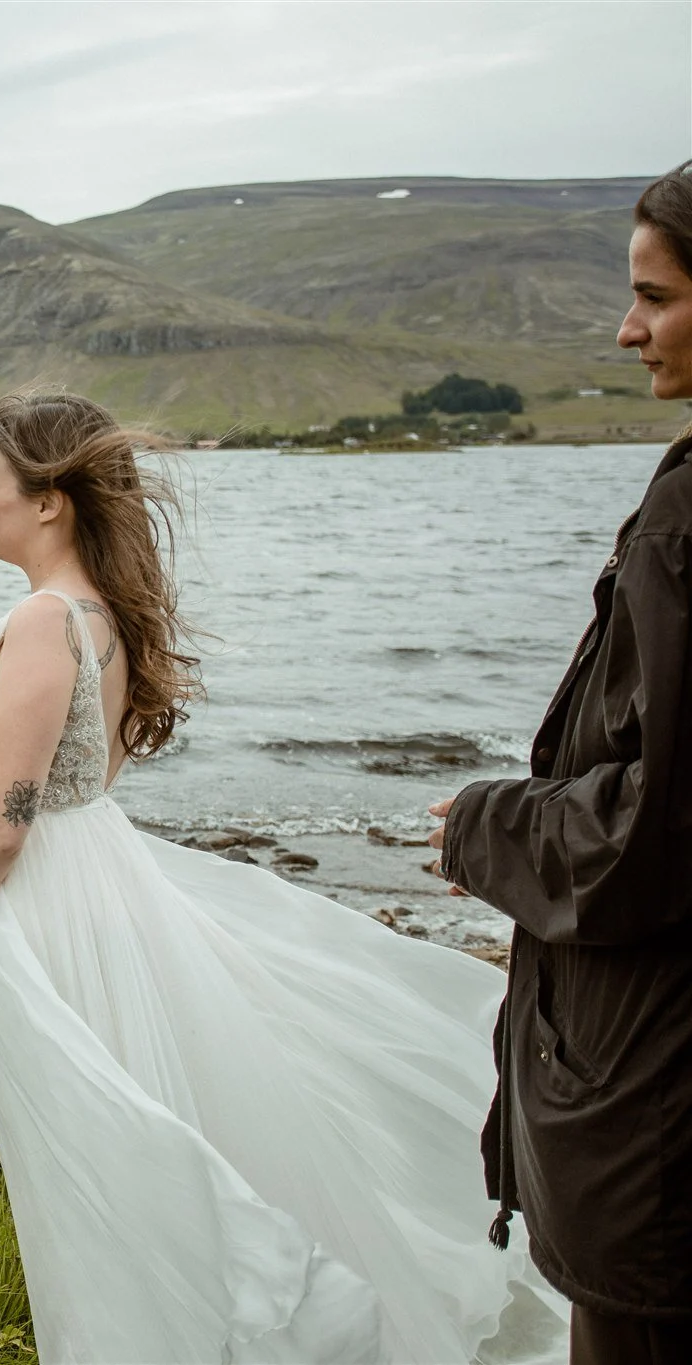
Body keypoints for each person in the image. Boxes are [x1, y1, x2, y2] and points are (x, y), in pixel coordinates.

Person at [0, 392, 564, 1363]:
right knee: (133, 1111)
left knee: (90, 1138)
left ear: (47, 502)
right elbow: (87, 776)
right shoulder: (101, 616)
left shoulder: (46, 619)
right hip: (98, 875)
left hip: (41, 898)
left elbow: (8, 823)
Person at [431, 161, 692, 1365]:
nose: (625, 328)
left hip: (663, 1105)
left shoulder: (686, 519)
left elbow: (660, 826)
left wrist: (480, 826)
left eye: (655, 296)